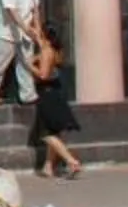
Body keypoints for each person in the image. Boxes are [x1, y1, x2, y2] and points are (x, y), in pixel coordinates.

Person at [26, 27, 84, 179]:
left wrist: (29, 66)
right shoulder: (54, 51)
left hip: (47, 95)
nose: (36, 36)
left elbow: (43, 75)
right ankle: (48, 167)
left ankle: (71, 161)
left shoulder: (47, 52)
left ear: (45, 36)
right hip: (55, 93)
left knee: (45, 134)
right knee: (53, 131)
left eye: (39, 34)